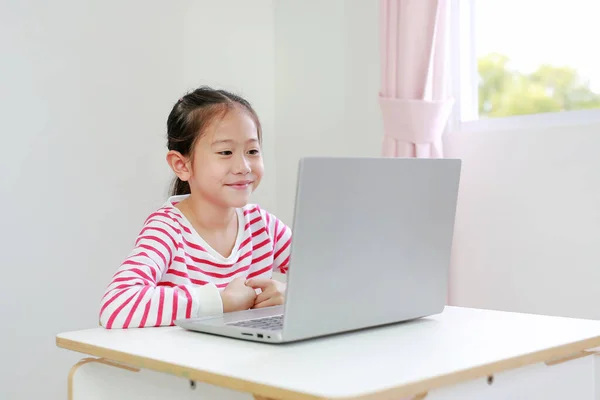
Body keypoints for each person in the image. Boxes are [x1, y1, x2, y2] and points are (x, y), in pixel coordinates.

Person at [99, 86, 291, 329]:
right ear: (181, 165)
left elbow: (332, 276)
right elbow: (116, 306)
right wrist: (220, 301)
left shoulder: (262, 226)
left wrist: (288, 294)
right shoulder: (167, 229)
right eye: (225, 152)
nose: (243, 166)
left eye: (252, 151)